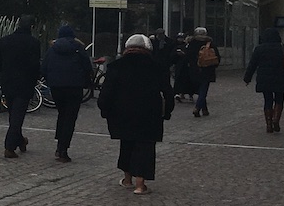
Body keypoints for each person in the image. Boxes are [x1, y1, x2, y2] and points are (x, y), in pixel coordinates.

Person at [97, 34, 174, 195]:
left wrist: (105, 110)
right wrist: (167, 112)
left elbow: (106, 93)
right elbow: (167, 92)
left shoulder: (116, 66)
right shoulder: (158, 67)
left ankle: (127, 179)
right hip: (149, 113)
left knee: (126, 144)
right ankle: (140, 184)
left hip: (121, 113)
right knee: (145, 146)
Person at [0, 14, 43, 159]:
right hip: (25, 83)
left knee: (13, 114)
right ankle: (9, 147)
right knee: (17, 116)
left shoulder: (5, 41)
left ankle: (20, 140)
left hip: (8, 82)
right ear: (31, 27)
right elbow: (35, 65)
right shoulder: (34, 43)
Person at [40, 24, 92, 162]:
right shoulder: (78, 48)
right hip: (75, 87)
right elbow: (87, 66)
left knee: (62, 114)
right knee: (70, 117)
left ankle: (59, 144)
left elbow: (44, 68)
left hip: (56, 87)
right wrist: (86, 82)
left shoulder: (52, 49)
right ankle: (63, 148)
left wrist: (50, 79)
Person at [243, 27, 284, 133]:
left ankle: (269, 124)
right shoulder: (282, 47)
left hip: (264, 78)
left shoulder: (259, 49)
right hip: (280, 77)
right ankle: (276, 120)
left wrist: (247, 78)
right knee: (279, 99)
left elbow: (252, 65)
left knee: (267, 100)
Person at [186, 27, 220, 117]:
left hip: (195, 70)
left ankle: (204, 110)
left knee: (200, 89)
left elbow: (187, 56)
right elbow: (217, 57)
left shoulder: (192, 43)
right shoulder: (210, 43)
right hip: (207, 70)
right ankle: (197, 108)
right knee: (203, 90)